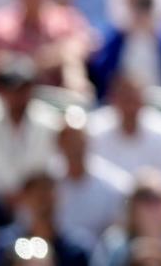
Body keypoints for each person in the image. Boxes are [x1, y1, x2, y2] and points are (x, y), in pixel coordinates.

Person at [86, 71, 161, 194]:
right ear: (113, 99)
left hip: (154, 203)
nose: (130, 107)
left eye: (134, 99)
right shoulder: (92, 130)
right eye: (125, 99)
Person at [53, 107, 132, 251]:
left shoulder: (114, 184)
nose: (74, 147)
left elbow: (118, 233)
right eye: (68, 141)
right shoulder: (48, 182)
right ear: (59, 144)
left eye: (79, 141)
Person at [0, 54, 59, 206]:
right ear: (2, 90)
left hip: (37, 204)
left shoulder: (50, 122)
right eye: (11, 88)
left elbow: (48, 168)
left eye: (23, 88)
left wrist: (26, 196)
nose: (17, 95)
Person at [0, 170, 91, 266]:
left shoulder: (75, 249)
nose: (43, 202)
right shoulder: (7, 246)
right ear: (24, 198)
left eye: (47, 192)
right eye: (37, 194)